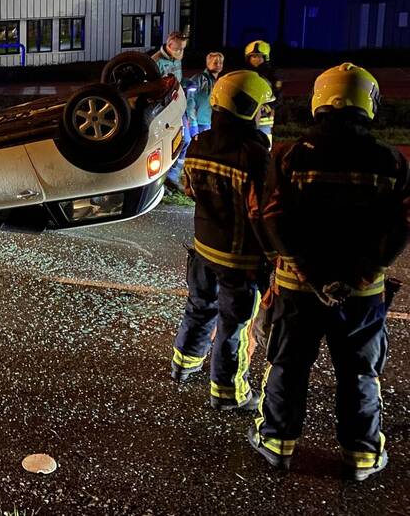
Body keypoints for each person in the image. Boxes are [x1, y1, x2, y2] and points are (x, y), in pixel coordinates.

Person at [250, 64, 410, 481]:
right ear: (368, 102)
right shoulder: (391, 162)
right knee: (360, 372)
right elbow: (401, 226)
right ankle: (361, 456)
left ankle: (277, 443)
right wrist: (362, 273)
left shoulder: (288, 155)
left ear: (319, 99)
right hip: (362, 296)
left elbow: (271, 217)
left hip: (298, 289)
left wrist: (309, 273)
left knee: (287, 365)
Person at [170, 70, 275, 413]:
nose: (264, 114)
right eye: (261, 108)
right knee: (233, 326)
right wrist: (273, 258)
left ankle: (184, 365)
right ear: (247, 108)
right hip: (238, 260)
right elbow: (263, 213)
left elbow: (188, 187)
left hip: (202, 250)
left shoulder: (200, 143)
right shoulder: (254, 155)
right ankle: (228, 393)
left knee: (199, 309)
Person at [152, 32, 189, 190]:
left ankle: (172, 176)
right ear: (169, 45)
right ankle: (161, 181)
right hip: (164, 109)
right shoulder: (156, 61)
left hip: (178, 105)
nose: (181, 52)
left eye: (183, 49)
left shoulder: (176, 58)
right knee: (165, 144)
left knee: (185, 140)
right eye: (178, 49)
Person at [244, 40, 282, 144]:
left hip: (265, 119)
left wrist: (268, 107)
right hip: (247, 119)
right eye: (254, 56)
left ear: (265, 58)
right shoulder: (244, 75)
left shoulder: (271, 76)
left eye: (260, 56)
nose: (256, 59)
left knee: (265, 146)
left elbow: (278, 96)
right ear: (249, 58)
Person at [186, 52, 225, 138]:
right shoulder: (198, 79)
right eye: (215, 62)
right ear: (208, 64)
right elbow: (190, 102)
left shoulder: (219, 82)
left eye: (220, 63)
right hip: (199, 124)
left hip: (210, 123)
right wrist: (193, 124)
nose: (218, 65)